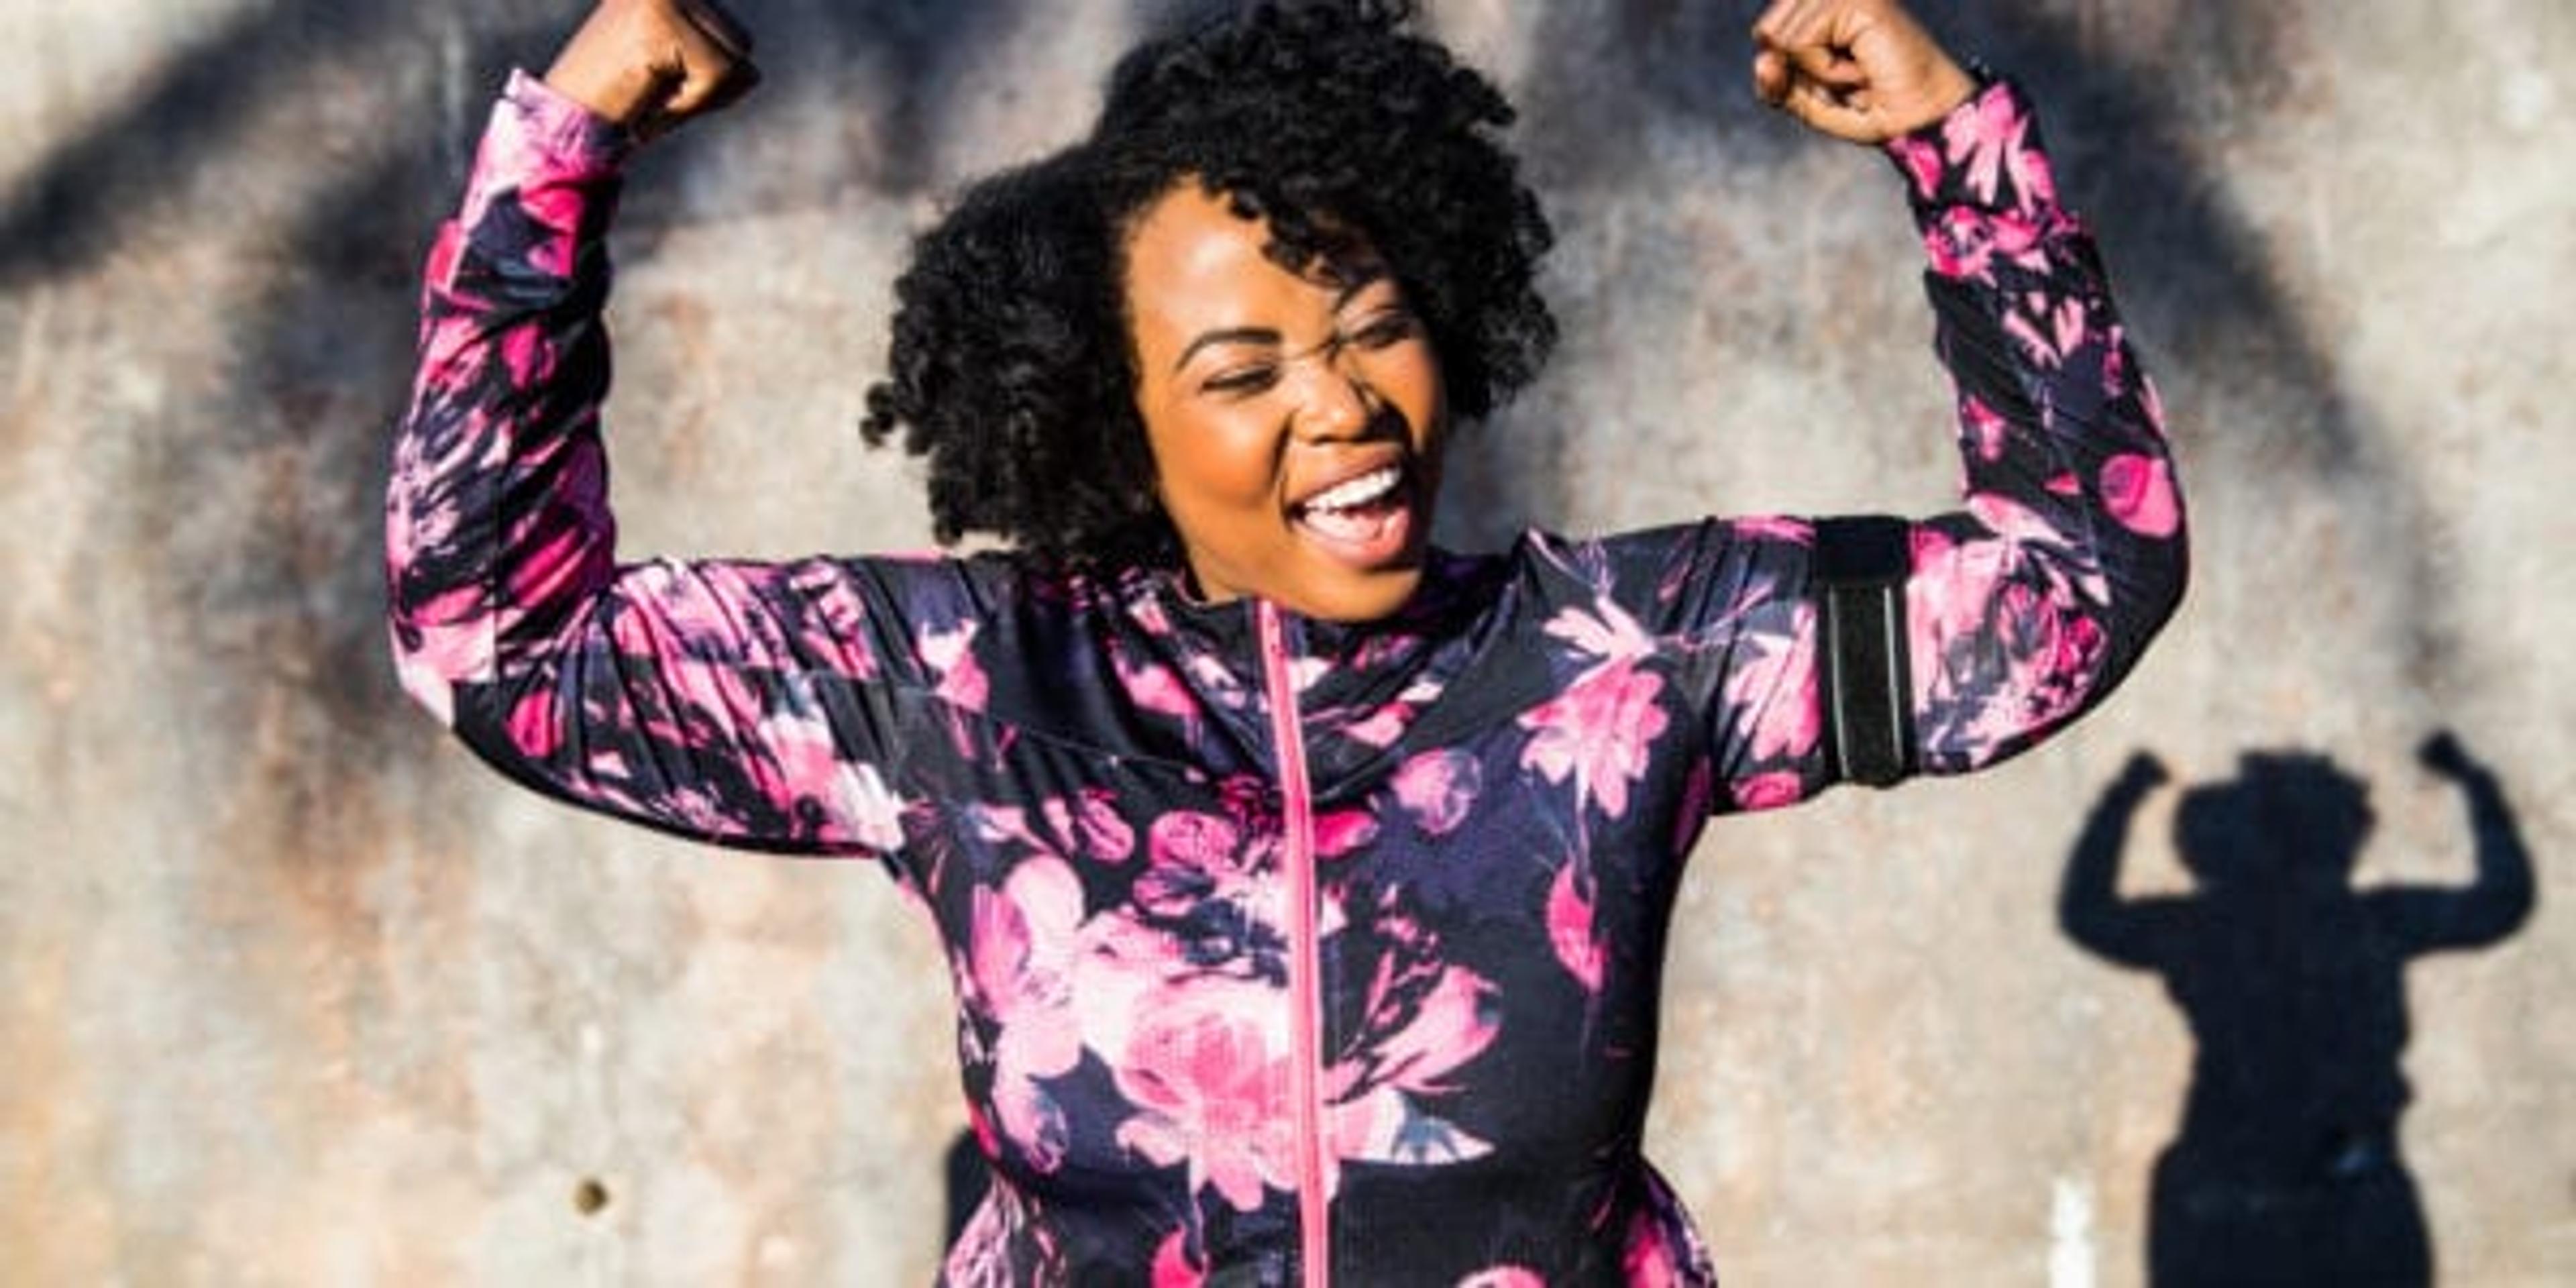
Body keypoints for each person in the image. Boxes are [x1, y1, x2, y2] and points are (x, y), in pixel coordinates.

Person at [386, 0, 2188, 1281]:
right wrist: (564, 149)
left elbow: (2077, 575)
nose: (1343, 409)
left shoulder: (1627, 658)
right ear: (1114, 422)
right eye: (1240, 373)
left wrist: (1960, 154)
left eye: (1377, 330)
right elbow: (495, 634)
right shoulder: (959, 687)